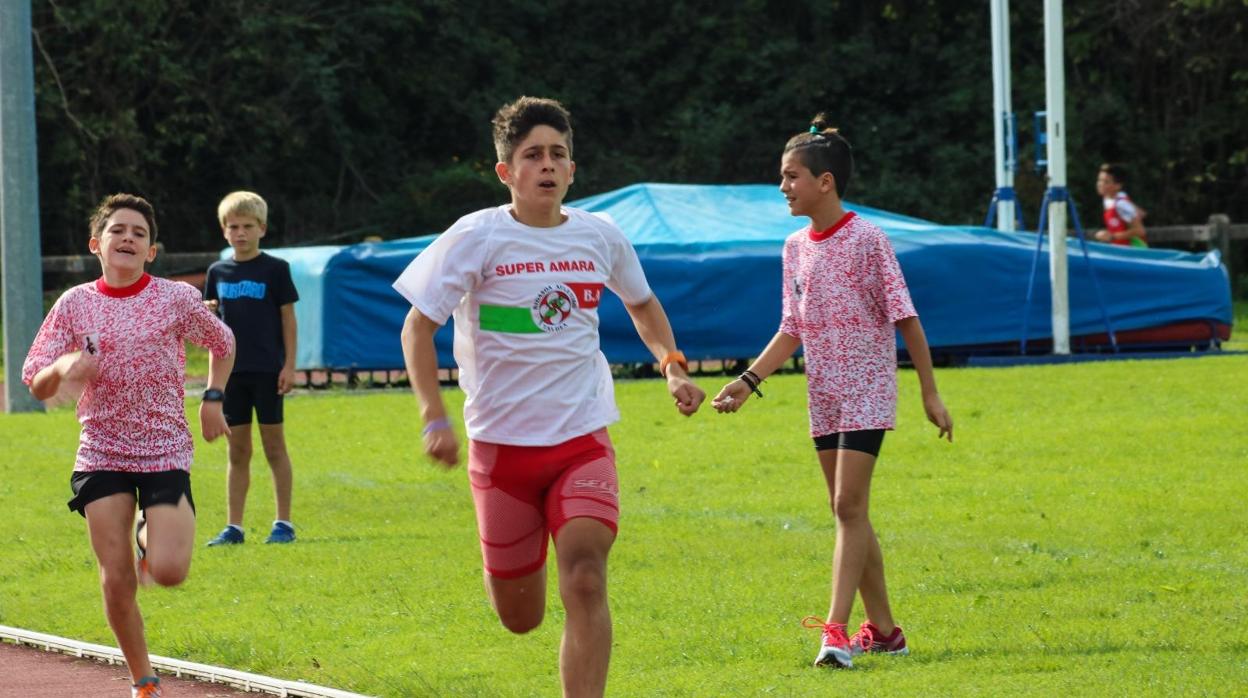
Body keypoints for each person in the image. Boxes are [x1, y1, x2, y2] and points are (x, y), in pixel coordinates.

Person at [393, 96, 705, 697]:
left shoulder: (600, 236)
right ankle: (505, 565)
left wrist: (672, 366)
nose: (547, 165)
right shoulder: (475, 237)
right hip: (501, 452)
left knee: (586, 578)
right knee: (521, 617)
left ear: (572, 170)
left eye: (557, 155)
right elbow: (417, 326)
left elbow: (641, 303)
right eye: (532, 155)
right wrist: (433, 417)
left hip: (581, 440)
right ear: (506, 171)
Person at [711, 117, 953, 670]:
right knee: (849, 512)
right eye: (781, 176)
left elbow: (906, 319)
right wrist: (748, 383)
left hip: (867, 390)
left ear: (825, 182)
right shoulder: (794, 247)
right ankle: (887, 631)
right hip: (824, 396)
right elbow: (790, 327)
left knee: (847, 506)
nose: (782, 187)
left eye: (791, 176)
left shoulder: (869, 239)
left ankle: (837, 632)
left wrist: (929, 395)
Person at [22, 193, 235, 698]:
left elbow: (223, 344)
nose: (128, 239)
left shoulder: (175, 299)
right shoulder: (75, 303)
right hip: (102, 452)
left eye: (139, 233)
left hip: (164, 449)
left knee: (167, 570)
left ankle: (149, 533)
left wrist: (213, 398)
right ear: (97, 243)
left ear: (152, 251)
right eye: (118, 230)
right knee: (117, 575)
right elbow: (35, 380)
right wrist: (64, 368)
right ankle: (144, 679)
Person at [202, 191, 301, 546]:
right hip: (233, 376)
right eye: (233, 227)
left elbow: (288, 319)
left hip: (268, 371)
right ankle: (234, 527)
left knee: (275, 447)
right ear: (224, 231)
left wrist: (290, 366)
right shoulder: (218, 272)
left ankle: (284, 523)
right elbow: (210, 324)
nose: (240, 233)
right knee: (238, 450)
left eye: (247, 226)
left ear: (262, 228)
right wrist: (209, 315)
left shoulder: (276, 270)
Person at [1092, 163, 1147, 247]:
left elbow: (1140, 231)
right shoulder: (1109, 199)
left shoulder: (1121, 204)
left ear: (1117, 186)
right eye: (1099, 180)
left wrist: (1112, 236)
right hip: (1121, 249)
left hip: (1134, 252)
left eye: (1106, 182)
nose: (1100, 184)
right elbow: (1142, 213)